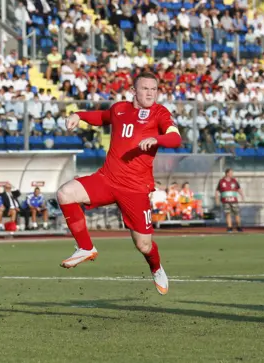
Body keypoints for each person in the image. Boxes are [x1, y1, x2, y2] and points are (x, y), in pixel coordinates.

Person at [55, 72, 182, 295]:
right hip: (107, 179)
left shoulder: (159, 113)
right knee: (65, 193)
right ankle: (85, 247)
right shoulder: (120, 109)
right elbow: (103, 116)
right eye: (145, 88)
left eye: (154, 89)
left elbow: (175, 137)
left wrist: (157, 139)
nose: (151, 93)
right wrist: (79, 115)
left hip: (135, 189)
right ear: (133, 91)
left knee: (143, 245)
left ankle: (156, 268)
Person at [215, 168, 244, 233]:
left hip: (234, 200)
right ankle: (229, 227)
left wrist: (242, 195)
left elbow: (238, 189)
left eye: (232, 173)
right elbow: (217, 190)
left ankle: (238, 227)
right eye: (230, 173)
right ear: (227, 173)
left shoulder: (234, 181)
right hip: (225, 201)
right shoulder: (221, 181)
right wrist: (216, 198)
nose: (232, 174)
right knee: (228, 214)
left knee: (237, 213)